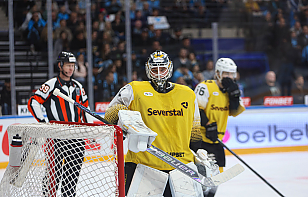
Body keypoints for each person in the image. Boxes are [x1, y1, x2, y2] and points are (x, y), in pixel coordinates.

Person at [104, 50, 217, 197]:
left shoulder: (187, 94)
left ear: (169, 68)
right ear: (148, 69)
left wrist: (197, 154)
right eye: (154, 69)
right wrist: (122, 118)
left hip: (179, 167)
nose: (158, 73)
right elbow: (109, 116)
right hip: (143, 164)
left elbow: (194, 131)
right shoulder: (134, 89)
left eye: (162, 69)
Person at [28, 51, 92, 197]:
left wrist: (90, 129)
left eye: (73, 65)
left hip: (76, 138)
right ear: (60, 65)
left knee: (71, 181)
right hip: (56, 137)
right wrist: (44, 123)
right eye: (68, 65)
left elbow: (85, 109)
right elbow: (33, 101)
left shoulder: (78, 86)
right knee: (53, 178)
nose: (71, 69)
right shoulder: (51, 84)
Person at [192, 58, 246, 197]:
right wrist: (208, 124)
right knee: (201, 176)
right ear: (217, 73)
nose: (229, 77)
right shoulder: (206, 86)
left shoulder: (232, 89)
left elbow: (234, 112)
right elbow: (196, 109)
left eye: (231, 74)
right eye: (226, 73)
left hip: (217, 140)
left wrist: (234, 95)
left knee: (217, 177)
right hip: (201, 139)